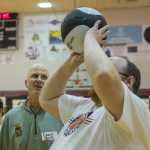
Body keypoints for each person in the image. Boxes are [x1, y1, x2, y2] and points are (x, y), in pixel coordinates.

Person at [39, 21, 150, 150]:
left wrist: (89, 37)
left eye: (111, 69)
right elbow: (47, 98)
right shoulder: (85, 106)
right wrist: (72, 62)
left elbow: (103, 75)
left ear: (129, 82)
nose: (94, 75)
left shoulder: (135, 109)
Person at [0, 63, 63, 150]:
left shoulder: (60, 116)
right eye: (35, 76)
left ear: (49, 84)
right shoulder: (10, 117)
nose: (39, 80)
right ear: (26, 83)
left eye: (44, 77)